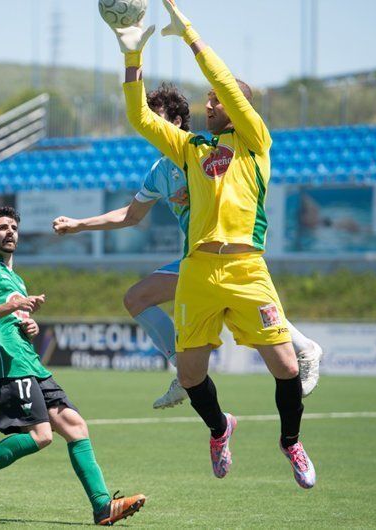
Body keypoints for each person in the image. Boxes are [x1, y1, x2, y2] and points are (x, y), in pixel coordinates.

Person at [110, 0, 316, 488]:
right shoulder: (190, 148)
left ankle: (291, 443)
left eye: (215, 101)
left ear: (238, 108)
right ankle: (220, 428)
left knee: (287, 367)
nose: (208, 104)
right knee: (188, 376)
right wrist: (132, 58)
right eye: (206, 100)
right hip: (199, 272)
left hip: (248, 270)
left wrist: (191, 36)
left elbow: (227, 86)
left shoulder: (255, 142)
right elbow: (140, 118)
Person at [52, 83, 323, 410]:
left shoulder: (210, 151)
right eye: (148, 117)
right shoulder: (160, 172)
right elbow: (130, 214)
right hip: (196, 258)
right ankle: (184, 370)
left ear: (177, 123)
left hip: (229, 252)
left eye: (158, 117)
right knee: (137, 298)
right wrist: (79, 224)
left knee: (247, 312)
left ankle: (303, 347)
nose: (151, 123)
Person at [0, 206, 146, 525]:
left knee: (76, 426)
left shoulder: (17, 279)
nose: (9, 232)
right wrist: (12, 305)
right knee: (41, 435)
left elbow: (12, 317)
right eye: (1, 228)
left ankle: (103, 506)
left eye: (13, 227)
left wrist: (28, 324)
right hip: (10, 364)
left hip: (32, 364)